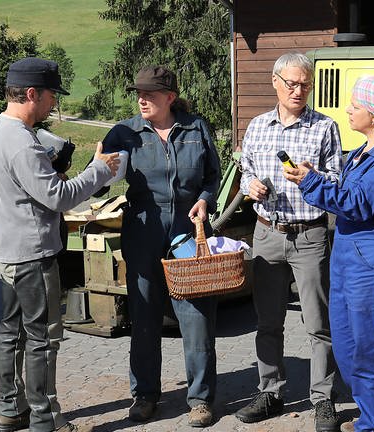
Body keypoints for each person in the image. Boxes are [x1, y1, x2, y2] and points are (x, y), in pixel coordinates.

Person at [0, 57, 120, 432]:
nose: (53, 105)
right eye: (50, 97)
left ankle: (10, 410)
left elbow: (29, 189)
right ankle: (46, 421)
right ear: (31, 94)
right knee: (42, 338)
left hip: (7, 251)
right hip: (32, 255)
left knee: (11, 332)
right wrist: (99, 170)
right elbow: (59, 198)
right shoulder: (22, 142)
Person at [282, 74, 374, 432]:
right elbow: (346, 191)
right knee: (347, 346)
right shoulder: (362, 153)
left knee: (369, 350)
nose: (348, 110)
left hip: (371, 261)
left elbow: (358, 204)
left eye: (355, 106)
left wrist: (309, 183)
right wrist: (316, 176)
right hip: (348, 258)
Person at [100, 66, 221, 427]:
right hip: (142, 230)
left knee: (197, 318)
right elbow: (100, 182)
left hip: (189, 231)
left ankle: (200, 399)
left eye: (150, 94)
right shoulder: (124, 132)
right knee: (144, 317)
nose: (142, 99)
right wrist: (99, 169)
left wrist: (205, 199)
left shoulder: (196, 128)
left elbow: (213, 176)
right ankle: (145, 395)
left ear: (170, 97)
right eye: (138, 93)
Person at [236, 52, 343, 432]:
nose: (299, 91)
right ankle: (270, 391)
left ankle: (323, 399)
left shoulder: (325, 127)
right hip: (267, 232)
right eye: (292, 84)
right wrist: (251, 185)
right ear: (275, 82)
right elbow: (246, 166)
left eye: (305, 85)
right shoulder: (257, 126)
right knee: (267, 321)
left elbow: (338, 178)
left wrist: (315, 176)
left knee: (318, 322)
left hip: (310, 233)